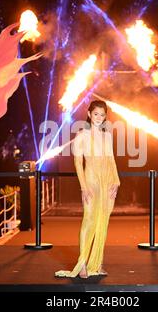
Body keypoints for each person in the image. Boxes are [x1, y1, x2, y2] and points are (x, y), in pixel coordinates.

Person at [55, 100, 120, 278]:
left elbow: (111, 159)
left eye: (102, 115)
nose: (99, 118)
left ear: (105, 116)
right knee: (89, 220)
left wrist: (116, 181)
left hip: (107, 180)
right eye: (96, 114)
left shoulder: (107, 136)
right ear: (89, 114)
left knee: (102, 222)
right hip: (91, 180)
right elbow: (77, 162)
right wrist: (84, 187)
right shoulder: (82, 135)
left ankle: (96, 263)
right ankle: (82, 263)